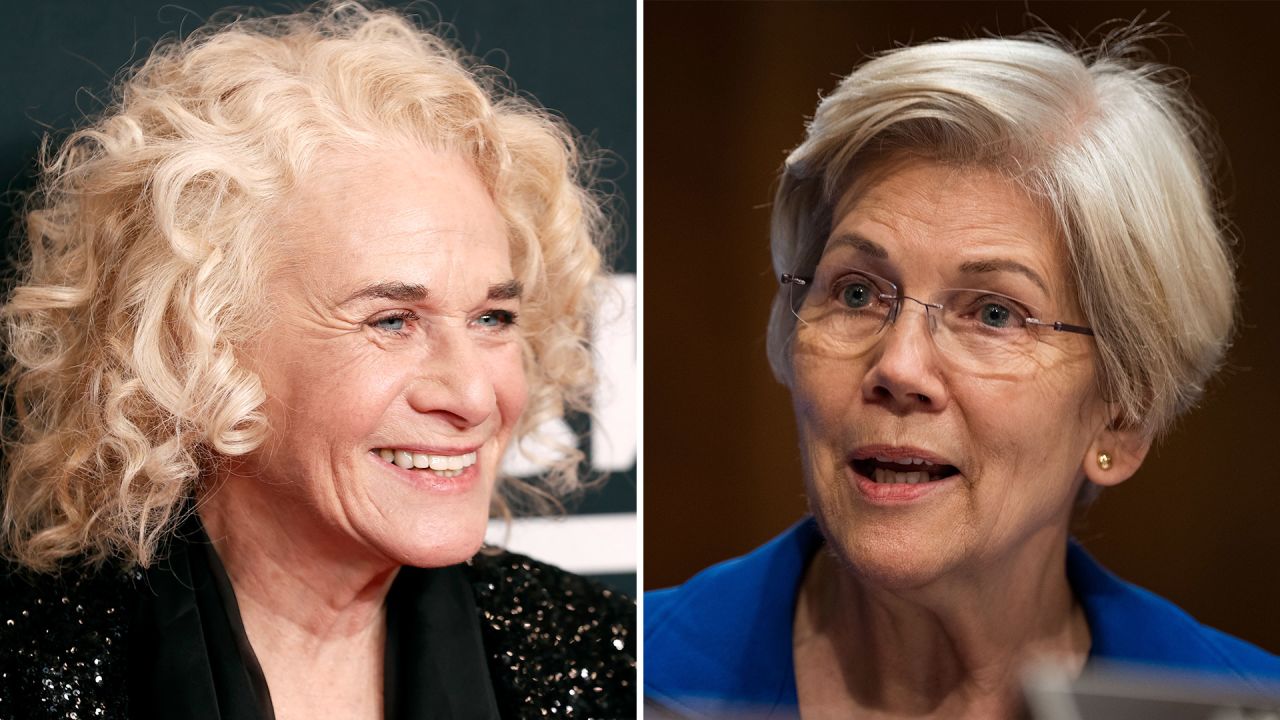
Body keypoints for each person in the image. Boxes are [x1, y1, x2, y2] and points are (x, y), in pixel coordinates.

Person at [0, 3, 634, 718]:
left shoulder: (606, 660)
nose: (474, 396)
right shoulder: (28, 674)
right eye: (392, 320)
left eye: (492, 318)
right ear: (199, 345)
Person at [645, 32, 1280, 719]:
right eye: (857, 293)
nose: (899, 367)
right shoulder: (626, 674)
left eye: (996, 314)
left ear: (1123, 416)